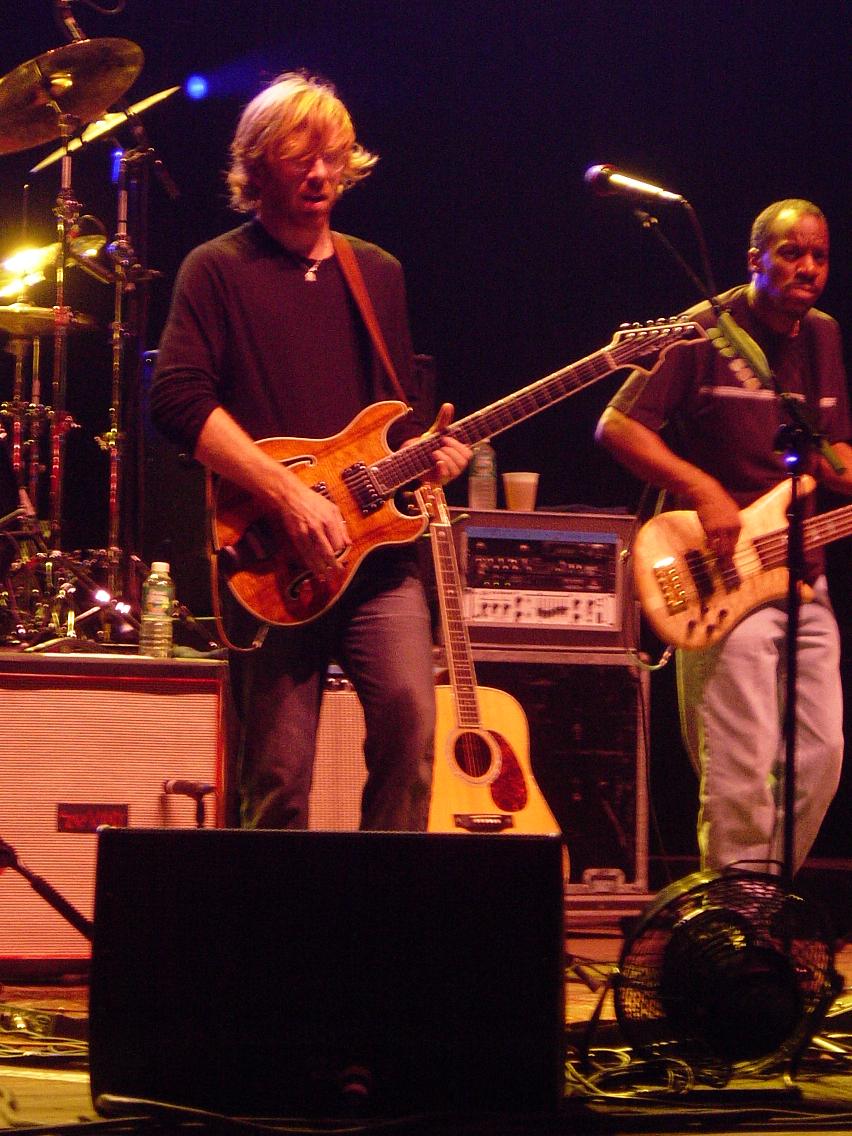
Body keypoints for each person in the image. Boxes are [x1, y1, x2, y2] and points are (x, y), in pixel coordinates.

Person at [150, 71, 470, 831]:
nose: (321, 173)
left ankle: (381, 929)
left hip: (376, 560)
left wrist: (432, 458)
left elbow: (391, 422)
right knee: (277, 779)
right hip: (273, 563)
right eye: (301, 157)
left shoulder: (378, 273)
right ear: (258, 165)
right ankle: (273, 943)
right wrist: (286, 494)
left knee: (411, 728)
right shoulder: (216, 269)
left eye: (333, 155)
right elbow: (176, 400)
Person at [596, 199, 852, 874]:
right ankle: (734, 925)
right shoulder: (701, 331)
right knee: (740, 764)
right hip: (717, 572)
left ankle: (759, 904)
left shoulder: (823, 337)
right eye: (792, 252)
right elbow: (617, 426)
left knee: (821, 755)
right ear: (754, 259)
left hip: (804, 572)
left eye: (820, 256)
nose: (807, 267)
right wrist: (700, 489)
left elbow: (834, 457)